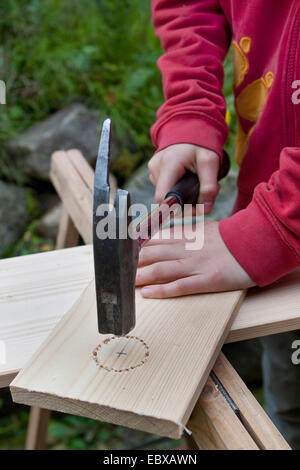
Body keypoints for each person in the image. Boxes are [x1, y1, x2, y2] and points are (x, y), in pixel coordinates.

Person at [136, 0, 300, 449]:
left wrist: (275, 229)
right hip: (281, 269)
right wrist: (191, 107)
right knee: (291, 410)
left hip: (274, 240)